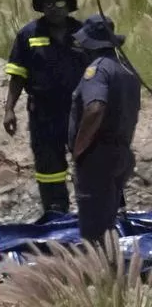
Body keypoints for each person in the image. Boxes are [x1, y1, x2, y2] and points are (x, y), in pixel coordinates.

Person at [2, 0, 87, 216]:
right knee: (48, 164)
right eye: (49, 3)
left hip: (79, 111)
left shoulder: (83, 34)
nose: (55, 8)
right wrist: (9, 109)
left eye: (60, 2)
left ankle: (91, 210)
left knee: (87, 160)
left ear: (69, 5)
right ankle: (55, 210)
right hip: (43, 112)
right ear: (42, 6)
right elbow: (17, 76)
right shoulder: (28, 35)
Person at [69, 14, 141, 244]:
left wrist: (79, 147)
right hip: (121, 154)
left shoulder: (97, 71)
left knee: (93, 230)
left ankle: (95, 275)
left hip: (97, 158)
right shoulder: (126, 69)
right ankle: (109, 272)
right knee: (108, 224)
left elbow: (95, 108)